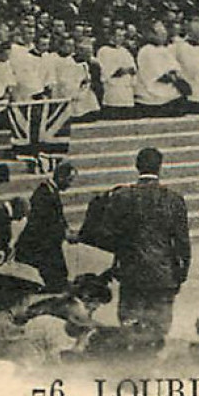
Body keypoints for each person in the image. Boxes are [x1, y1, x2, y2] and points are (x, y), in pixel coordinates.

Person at [82, 146, 191, 348]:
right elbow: (183, 243)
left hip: (131, 273)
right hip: (163, 275)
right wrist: (181, 274)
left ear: (137, 167)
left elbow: (105, 233)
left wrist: (123, 250)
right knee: (159, 331)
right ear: (160, 167)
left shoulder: (122, 196)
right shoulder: (174, 200)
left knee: (129, 329)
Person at [14, 160, 77, 291]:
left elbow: (58, 217)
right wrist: (63, 234)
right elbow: (43, 224)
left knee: (58, 274)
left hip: (46, 244)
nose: (70, 185)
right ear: (60, 177)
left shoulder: (50, 190)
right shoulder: (43, 193)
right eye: (69, 180)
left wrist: (66, 229)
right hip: (37, 246)